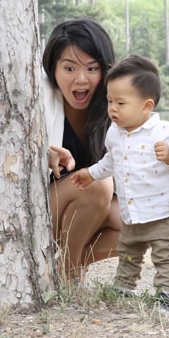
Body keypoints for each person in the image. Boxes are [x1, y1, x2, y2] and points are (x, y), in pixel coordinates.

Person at [71, 55, 169, 312]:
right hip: (132, 211)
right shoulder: (114, 133)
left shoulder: (162, 131)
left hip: (163, 212)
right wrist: (91, 174)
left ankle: (167, 298)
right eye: (110, 101)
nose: (113, 108)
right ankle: (123, 290)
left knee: (166, 256)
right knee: (128, 254)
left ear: (146, 106)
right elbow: (109, 163)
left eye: (121, 103)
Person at [43, 19, 122, 279]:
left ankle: (68, 264)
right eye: (69, 68)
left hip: (84, 217)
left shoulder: (115, 108)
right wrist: (42, 154)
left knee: (141, 224)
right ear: (52, 69)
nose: (80, 79)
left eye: (91, 68)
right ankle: (71, 273)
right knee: (95, 183)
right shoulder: (37, 100)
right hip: (40, 216)